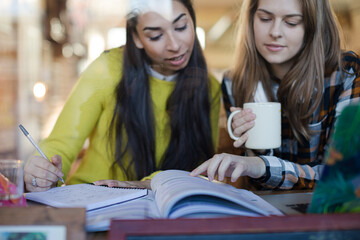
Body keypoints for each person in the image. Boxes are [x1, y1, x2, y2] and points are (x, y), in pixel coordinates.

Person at [24, 0, 221, 192]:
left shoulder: (209, 87)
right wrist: (43, 173)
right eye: (155, 36)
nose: (175, 45)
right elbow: (62, 143)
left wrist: (148, 184)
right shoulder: (108, 69)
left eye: (181, 27)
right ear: (136, 38)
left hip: (163, 209)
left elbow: (200, 169)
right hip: (93, 198)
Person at [191, 0, 360, 190]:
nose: (275, 32)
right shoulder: (234, 83)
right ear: (251, 19)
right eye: (265, 18)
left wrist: (262, 166)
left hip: (325, 214)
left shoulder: (346, 73)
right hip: (266, 213)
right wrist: (256, 149)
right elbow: (256, 180)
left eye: (291, 22)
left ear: (313, 26)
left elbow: (346, 175)